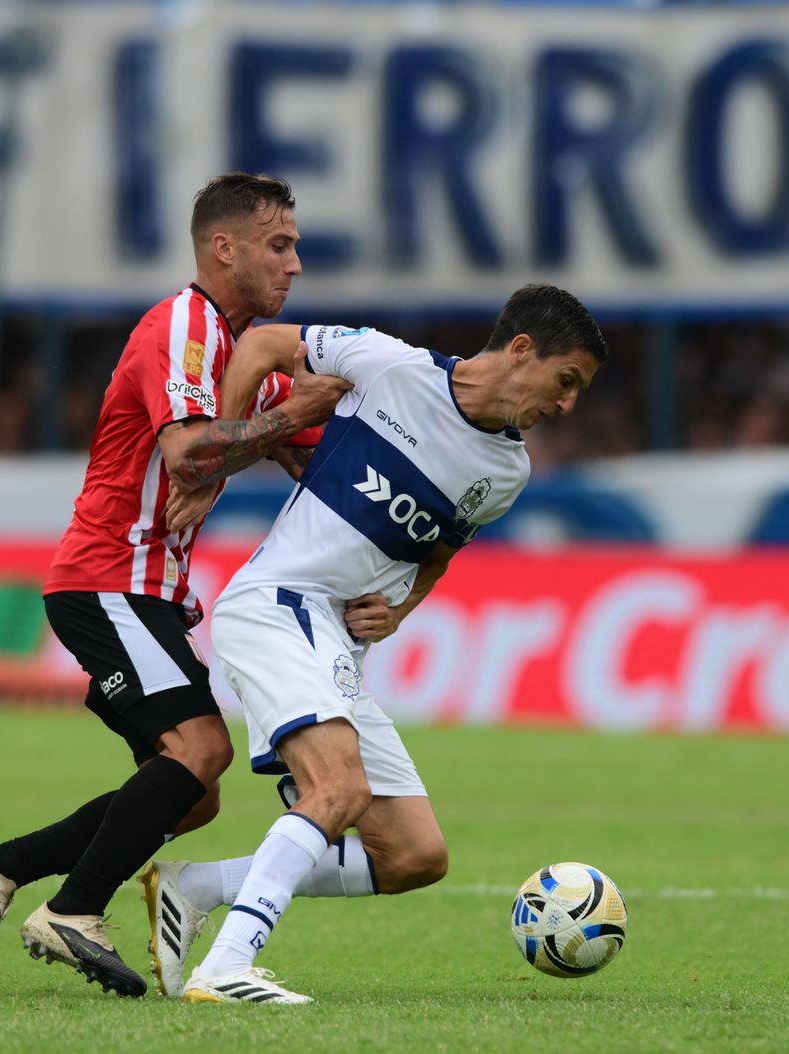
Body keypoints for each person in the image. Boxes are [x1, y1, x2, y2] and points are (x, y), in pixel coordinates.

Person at [139, 284, 608, 1003]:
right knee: (340, 788)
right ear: (521, 351)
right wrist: (220, 464)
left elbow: (438, 554)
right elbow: (264, 345)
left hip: (333, 641)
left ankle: (194, 888)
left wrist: (398, 611)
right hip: (277, 605)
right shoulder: (391, 365)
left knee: (415, 854)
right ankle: (227, 965)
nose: (568, 405)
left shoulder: (506, 473)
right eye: (565, 381)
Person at [0, 173, 351, 997]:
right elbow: (189, 450)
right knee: (201, 751)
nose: (296, 265)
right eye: (280, 245)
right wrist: (270, 427)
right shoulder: (185, 324)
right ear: (222, 247)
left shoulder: (236, 358)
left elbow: (314, 439)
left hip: (149, 593)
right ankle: (73, 911)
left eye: (297, 246)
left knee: (189, 796)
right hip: (106, 579)